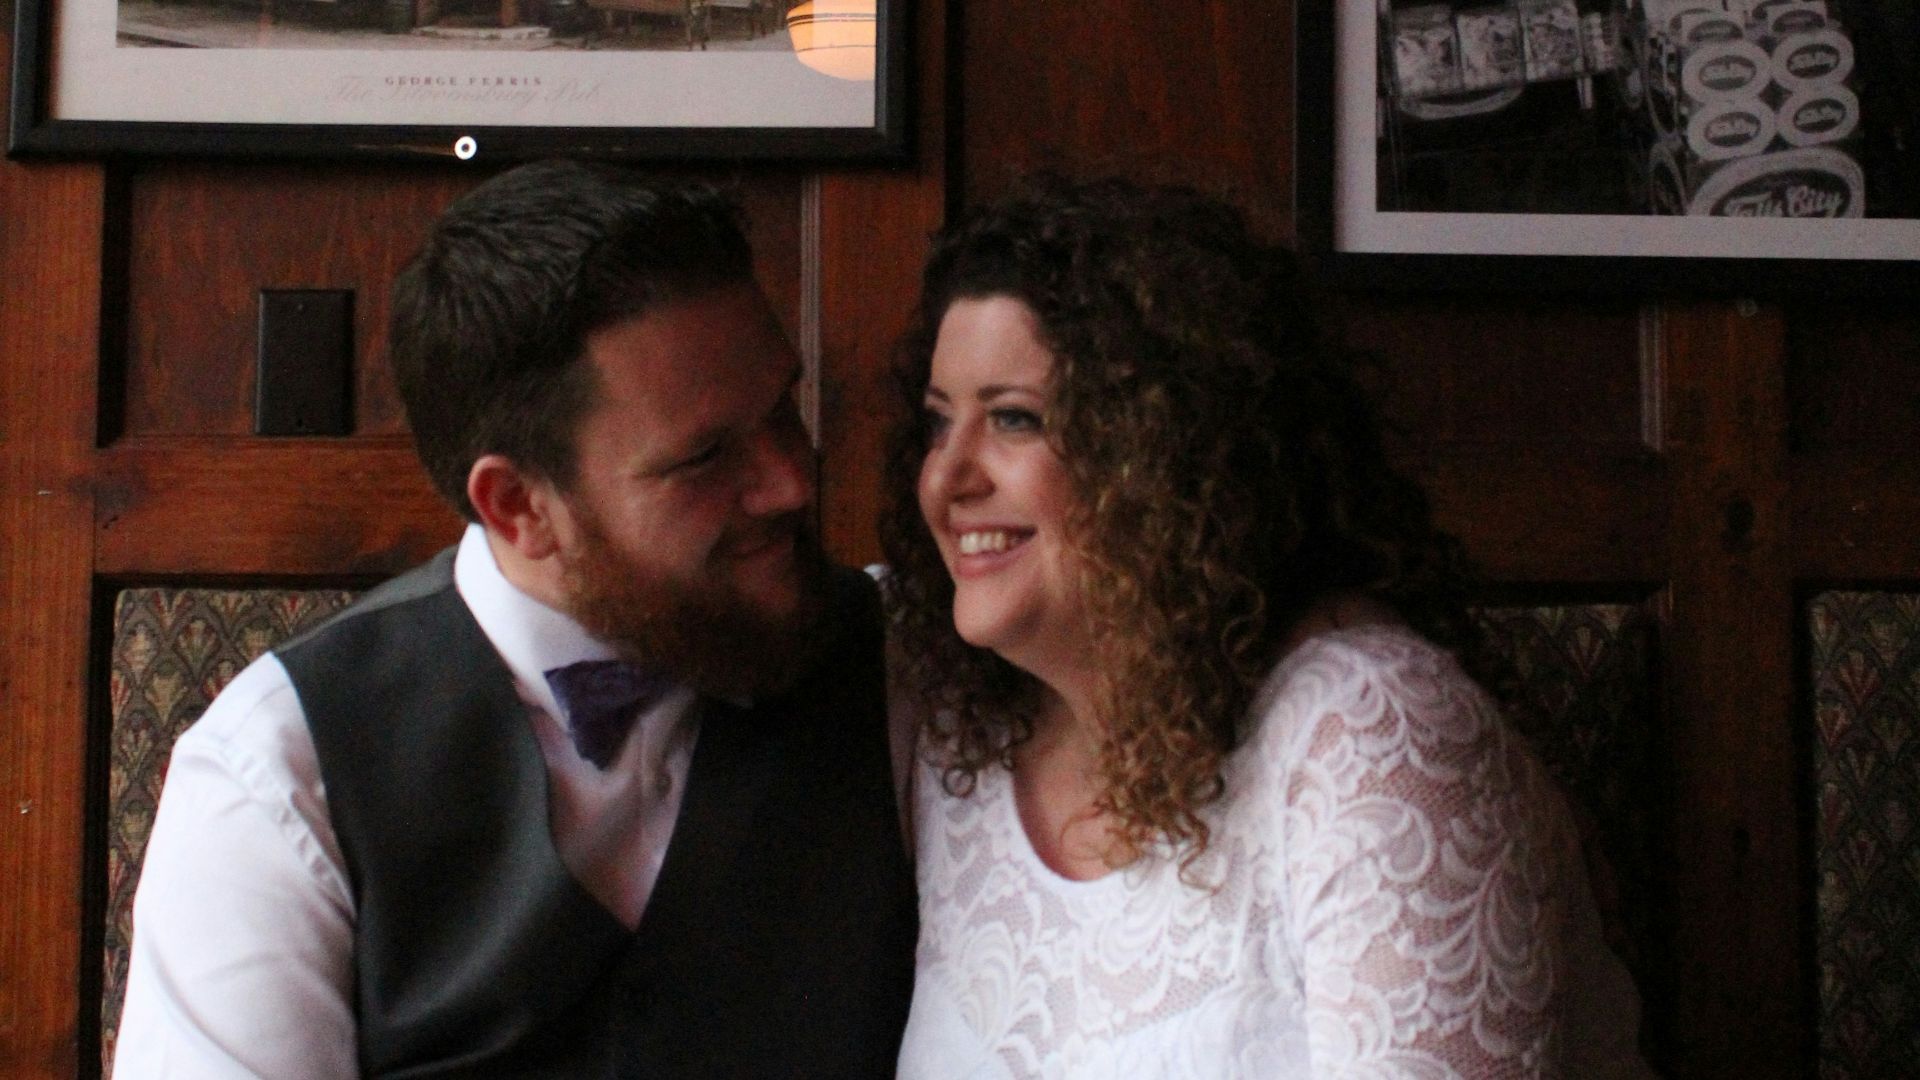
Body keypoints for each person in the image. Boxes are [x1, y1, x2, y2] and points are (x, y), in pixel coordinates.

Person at [114, 160, 916, 1079]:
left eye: (784, 409)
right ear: (516, 506)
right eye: (703, 459)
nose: (792, 480)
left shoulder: (909, 667)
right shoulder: (279, 771)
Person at [880, 177, 1654, 1077]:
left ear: (1165, 453)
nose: (946, 479)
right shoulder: (951, 729)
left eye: (1015, 419)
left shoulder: (1372, 737)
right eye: (939, 424)